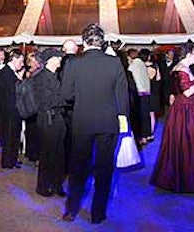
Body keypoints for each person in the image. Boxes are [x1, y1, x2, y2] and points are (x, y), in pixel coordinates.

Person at [61, 23, 129, 225]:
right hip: (108, 123)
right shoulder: (115, 63)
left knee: (78, 167)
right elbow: (122, 96)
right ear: (102, 42)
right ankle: (98, 213)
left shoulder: (74, 64)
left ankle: (71, 210)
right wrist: (123, 117)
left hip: (82, 121)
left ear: (83, 42)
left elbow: (66, 95)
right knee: (104, 168)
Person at [150, 43, 194, 193]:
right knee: (189, 144)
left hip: (184, 109)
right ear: (188, 54)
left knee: (184, 145)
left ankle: (182, 178)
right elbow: (187, 92)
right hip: (185, 110)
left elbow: (177, 90)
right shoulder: (181, 69)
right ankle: (188, 180)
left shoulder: (180, 68)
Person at [32, 48, 66, 197]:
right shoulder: (40, 78)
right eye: (58, 58)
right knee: (47, 154)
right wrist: (67, 98)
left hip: (56, 119)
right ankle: (43, 186)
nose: (60, 60)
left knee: (59, 154)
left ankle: (57, 184)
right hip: (47, 120)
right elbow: (46, 101)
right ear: (50, 60)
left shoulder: (54, 75)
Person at [0, 49, 25, 170]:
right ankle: (8, 162)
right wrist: (20, 80)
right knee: (10, 137)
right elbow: (13, 93)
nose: (22, 64)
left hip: (11, 111)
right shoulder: (7, 73)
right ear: (14, 59)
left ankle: (12, 160)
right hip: (9, 112)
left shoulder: (9, 72)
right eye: (21, 61)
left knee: (13, 137)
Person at [59, 38, 78, 174]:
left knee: (66, 138)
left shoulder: (61, 63)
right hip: (76, 104)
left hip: (64, 105)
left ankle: (66, 165)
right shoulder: (80, 62)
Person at [128, 48, 151, 145]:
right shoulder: (142, 64)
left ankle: (142, 137)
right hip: (146, 92)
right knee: (146, 115)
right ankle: (147, 134)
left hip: (139, 93)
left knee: (140, 116)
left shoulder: (133, 66)